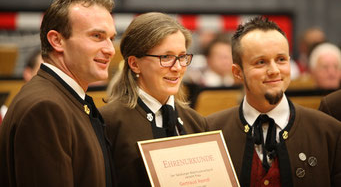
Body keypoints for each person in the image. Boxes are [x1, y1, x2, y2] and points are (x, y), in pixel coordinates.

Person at [0, 0, 117, 187]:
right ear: (57, 40)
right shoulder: (45, 107)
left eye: (111, 38)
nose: (110, 50)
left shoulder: (63, 98)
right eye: (97, 36)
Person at [207, 16, 341, 186]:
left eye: (281, 59)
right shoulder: (210, 131)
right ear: (237, 72)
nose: (274, 70)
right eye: (261, 62)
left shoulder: (330, 132)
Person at [100, 12, 208, 187]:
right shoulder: (108, 121)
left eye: (182, 56)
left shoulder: (196, 122)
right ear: (135, 64)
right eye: (166, 57)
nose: (178, 67)